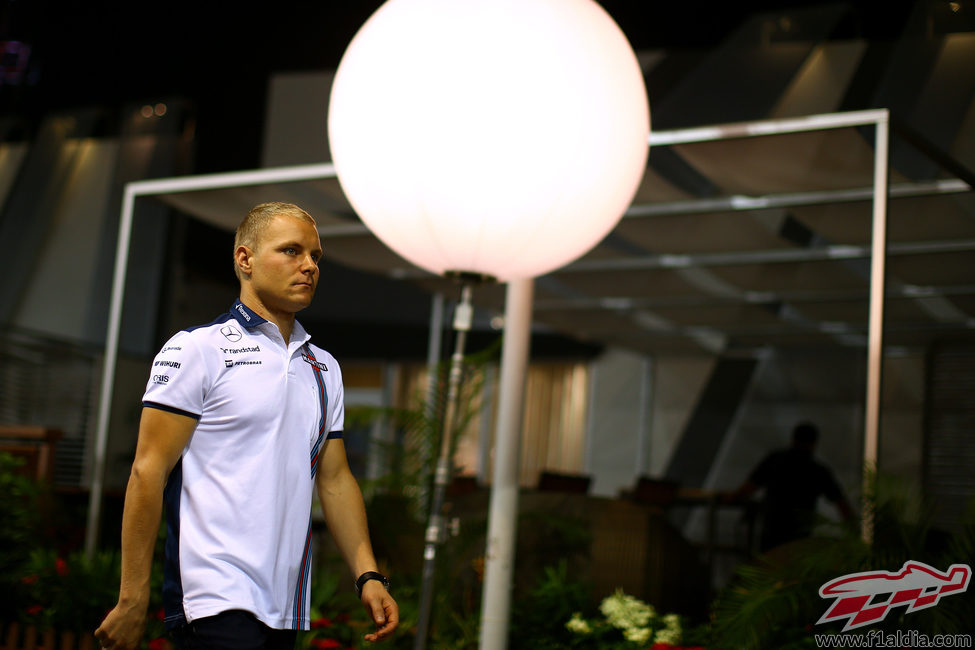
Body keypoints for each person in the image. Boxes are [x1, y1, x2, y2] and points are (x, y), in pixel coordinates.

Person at [95, 202, 398, 649]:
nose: (309, 266)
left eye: (316, 256)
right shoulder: (197, 350)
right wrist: (132, 598)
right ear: (245, 259)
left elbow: (334, 480)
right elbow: (147, 471)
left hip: (285, 605)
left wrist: (368, 575)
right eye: (292, 251)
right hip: (213, 596)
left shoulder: (324, 368)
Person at [726, 421, 855, 553]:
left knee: (769, 568)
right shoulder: (816, 470)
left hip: (773, 529)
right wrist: (855, 532)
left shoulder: (775, 460)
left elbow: (749, 488)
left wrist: (731, 497)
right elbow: (840, 503)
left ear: (793, 439)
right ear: (814, 443)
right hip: (799, 535)